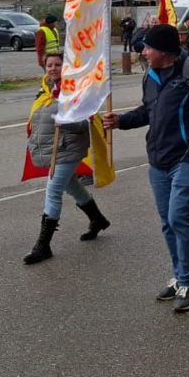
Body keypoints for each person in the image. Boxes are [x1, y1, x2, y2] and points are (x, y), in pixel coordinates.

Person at [102, 24, 189, 313]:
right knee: (167, 222)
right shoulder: (150, 76)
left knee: (179, 217)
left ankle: (188, 281)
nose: (144, 53)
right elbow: (148, 111)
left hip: (186, 157)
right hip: (158, 160)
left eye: (148, 48)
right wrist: (121, 121)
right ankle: (178, 276)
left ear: (164, 51)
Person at [22, 52, 111, 265]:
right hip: (54, 149)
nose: (53, 68)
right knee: (71, 186)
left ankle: (43, 246)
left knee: (53, 190)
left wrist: (66, 122)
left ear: (66, 67)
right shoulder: (45, 91)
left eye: (57, 64)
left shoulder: (74, 92)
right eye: (49, 65)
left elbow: (85, 124)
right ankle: (97, 219)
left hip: (69, 149)